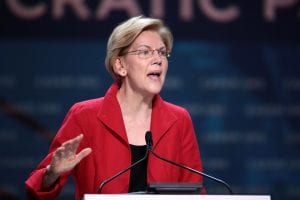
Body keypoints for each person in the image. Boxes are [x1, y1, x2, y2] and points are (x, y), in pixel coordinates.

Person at [25, 15, 204, 200]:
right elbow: (36, 190)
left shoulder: (179, 120)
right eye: (145, 52)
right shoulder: (85, 116)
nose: (158, 59)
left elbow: (194, 191)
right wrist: (52, 174)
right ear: (120, 65)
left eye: (162, 52)